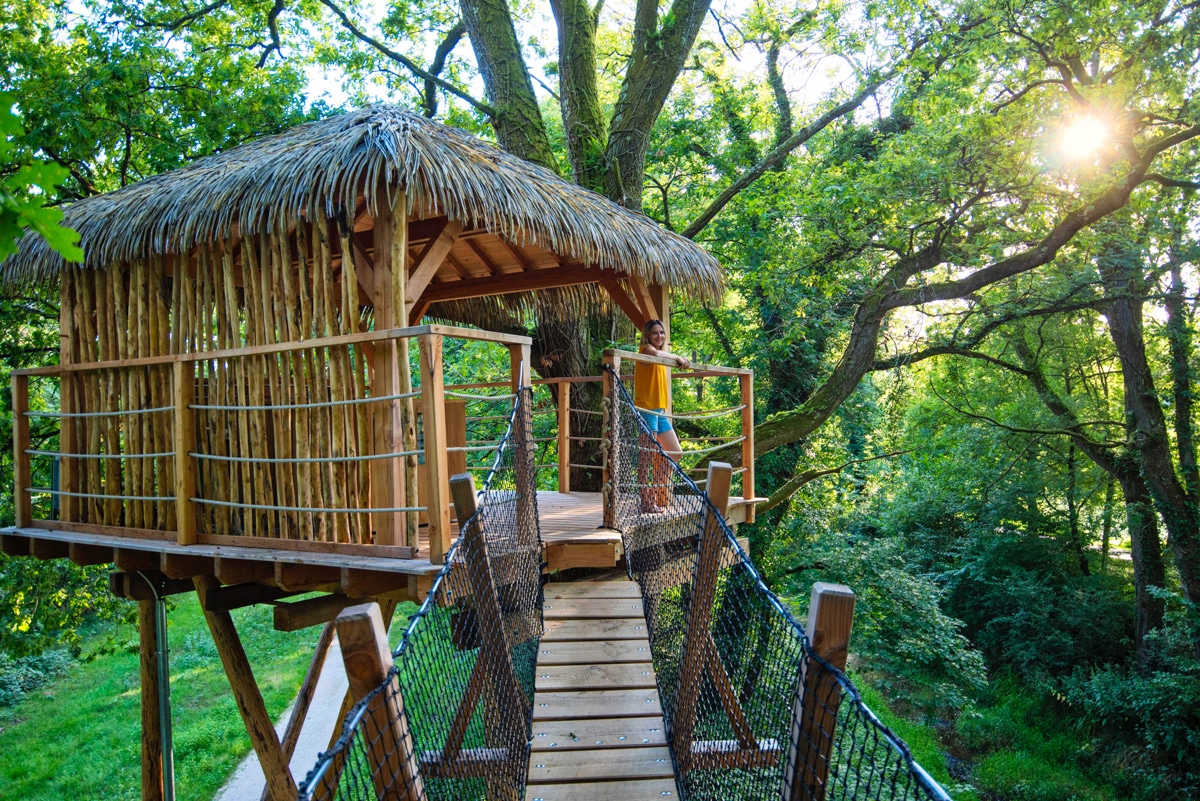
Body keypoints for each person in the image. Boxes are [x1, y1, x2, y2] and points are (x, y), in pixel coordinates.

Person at [633, 319, 690, 513]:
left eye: (662, 333)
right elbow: (656, 353)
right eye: (655, 333)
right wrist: (679, 358)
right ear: (648, 335)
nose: (660, 336)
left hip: (659, 410)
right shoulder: (646, 350)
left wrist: (679, 358)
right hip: (646, 409)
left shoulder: (662, 355)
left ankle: (655, 493)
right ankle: (645, 501)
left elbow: (662, 354)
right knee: (646, 456)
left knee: (674, 452)